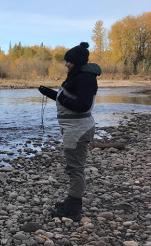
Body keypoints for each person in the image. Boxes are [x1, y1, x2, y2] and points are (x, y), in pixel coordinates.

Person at [38, 42, 102, 221]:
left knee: (75, 168)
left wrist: (62, 99)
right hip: (75, 129)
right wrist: (48, 93)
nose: (66, 64)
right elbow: (66, 98)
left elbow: (83, 105)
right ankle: (72, 201)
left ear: (77, 62)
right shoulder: (77, 76)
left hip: (78, 130)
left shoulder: (85, 78)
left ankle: (73, 208)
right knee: (74, 167)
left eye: (69, 62)